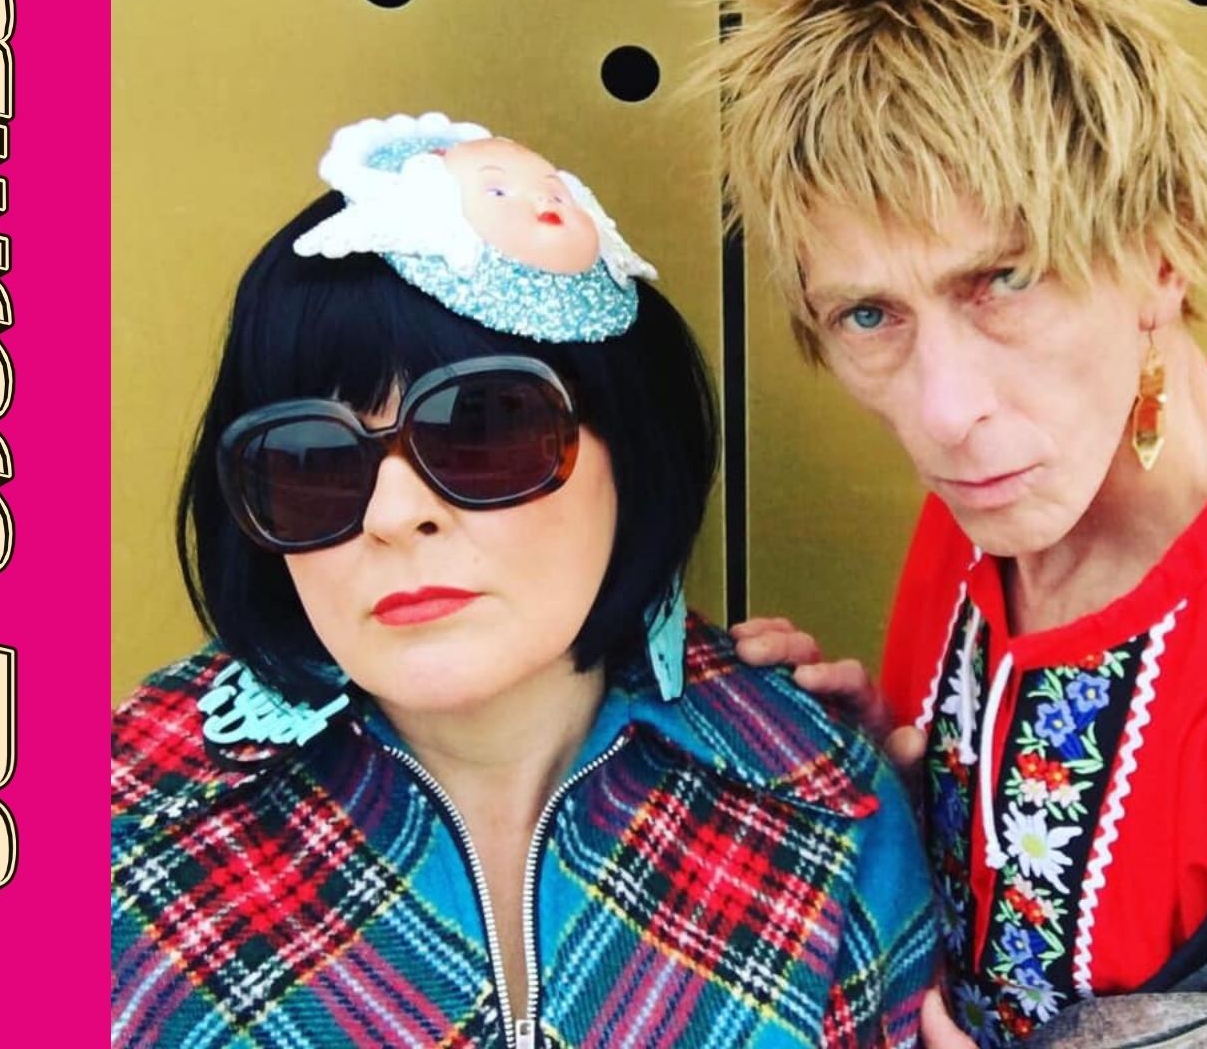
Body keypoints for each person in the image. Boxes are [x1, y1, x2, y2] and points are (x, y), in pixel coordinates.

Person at [716, 0, 1207, 1048]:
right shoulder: (997, 498)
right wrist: (883, 786)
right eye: (870, 314)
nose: (942, 411)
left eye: (1004, 280)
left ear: (1162, 250)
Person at [110, 112, 937, 1048]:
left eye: (483, 428)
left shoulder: (817, 802)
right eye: (312, 461)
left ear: (632, 446)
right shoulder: (116, 819)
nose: (392, 515)